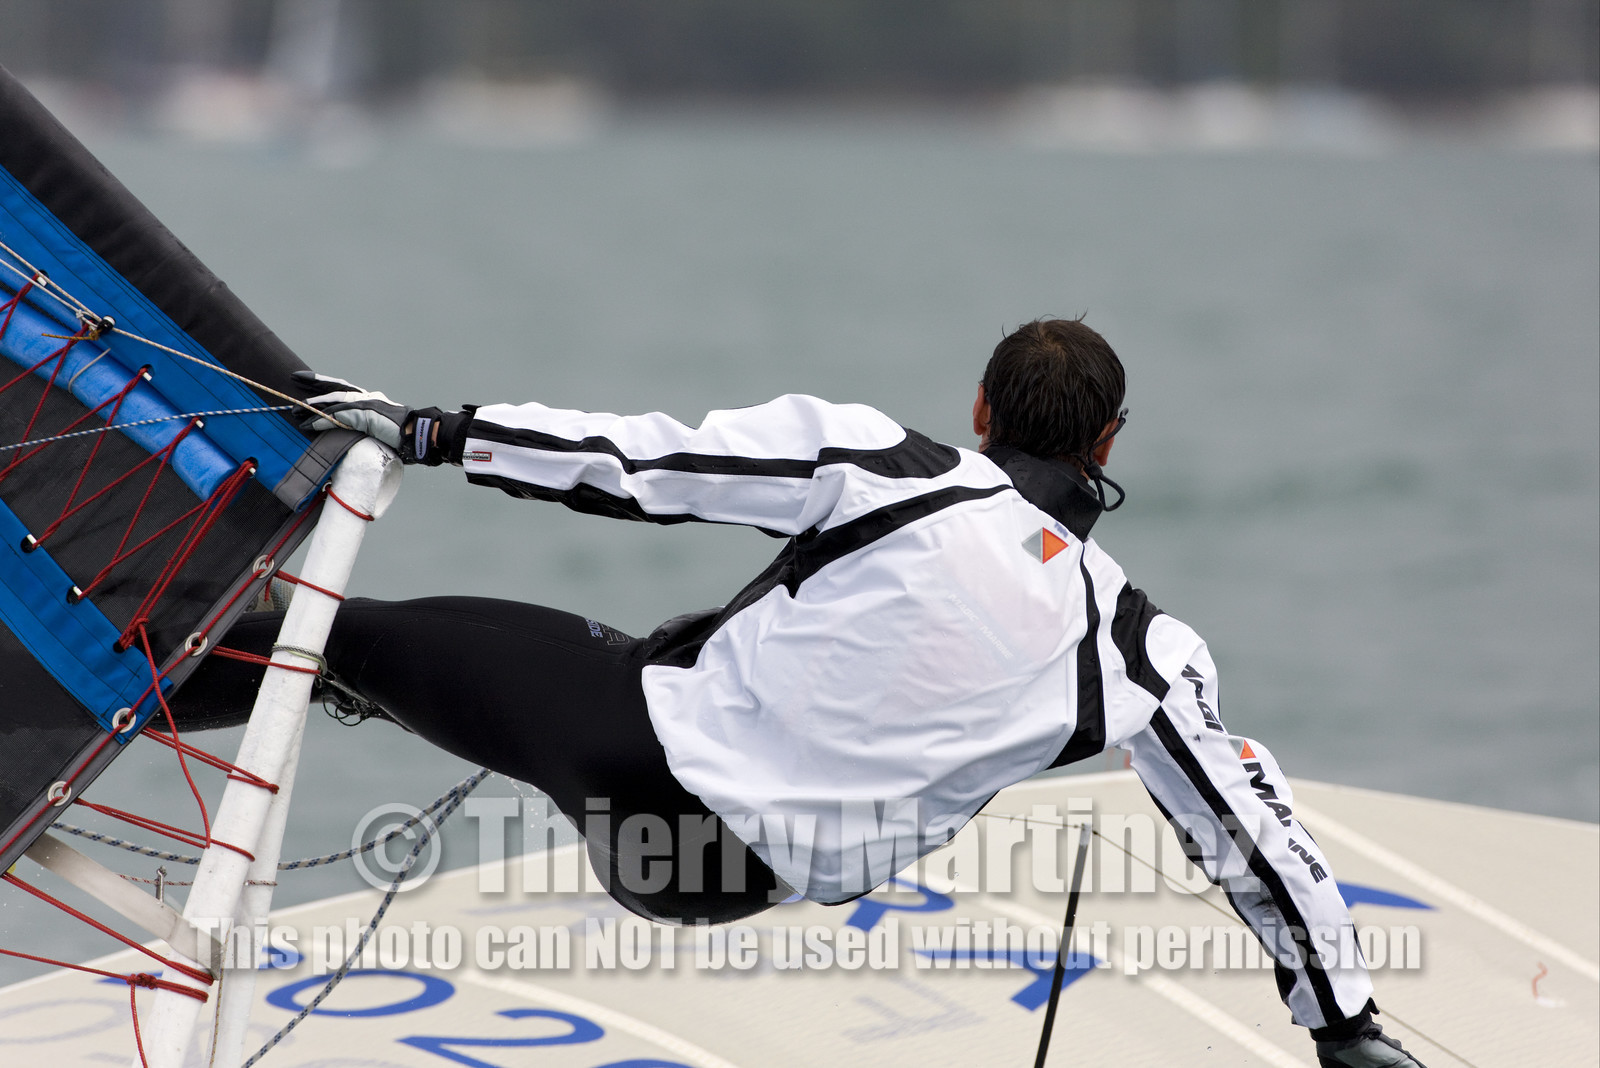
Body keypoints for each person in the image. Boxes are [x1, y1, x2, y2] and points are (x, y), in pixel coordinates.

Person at [177, 318, 1424, 1067]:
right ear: (1108, 447)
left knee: (339, 635)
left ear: (980, 410)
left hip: (634, 754)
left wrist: (435, 435)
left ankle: (102, 676)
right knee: (591, 660)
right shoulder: (1145, 650)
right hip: (721, 884)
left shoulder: (894, 466)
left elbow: (640, 464)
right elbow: (1251, 840)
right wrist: (1341, 1025)